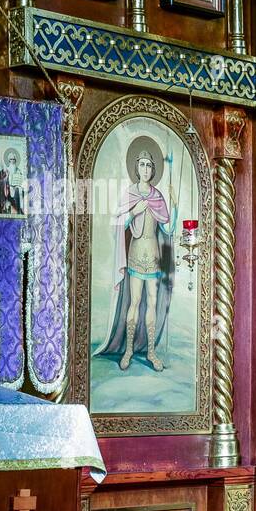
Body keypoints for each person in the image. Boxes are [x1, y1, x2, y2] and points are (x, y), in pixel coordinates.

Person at [96, 142, 176, 372]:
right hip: (135, 254)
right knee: (135, 302)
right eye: (142, 165)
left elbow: (168, 227)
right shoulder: (130, 193)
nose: (146, 169)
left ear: (153, 170)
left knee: (151, 301)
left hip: (153, 255)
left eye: (149, 166)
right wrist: (134, 212)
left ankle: (151, 351)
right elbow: (117, 223)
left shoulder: (157, 195)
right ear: (136, 167)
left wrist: (175, 205)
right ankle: (129, 349)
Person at [0, 148, 24, 216]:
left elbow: (21, 180)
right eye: (11, 159)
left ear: (15, 160)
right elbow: (4, 179)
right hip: (9, 188)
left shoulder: (18, 170)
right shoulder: (7, 169)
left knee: (19, 190)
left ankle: (21, 208)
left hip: (16, 188)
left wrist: (18, 184)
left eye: (13, 159)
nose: (12, 161)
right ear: (9, 160)